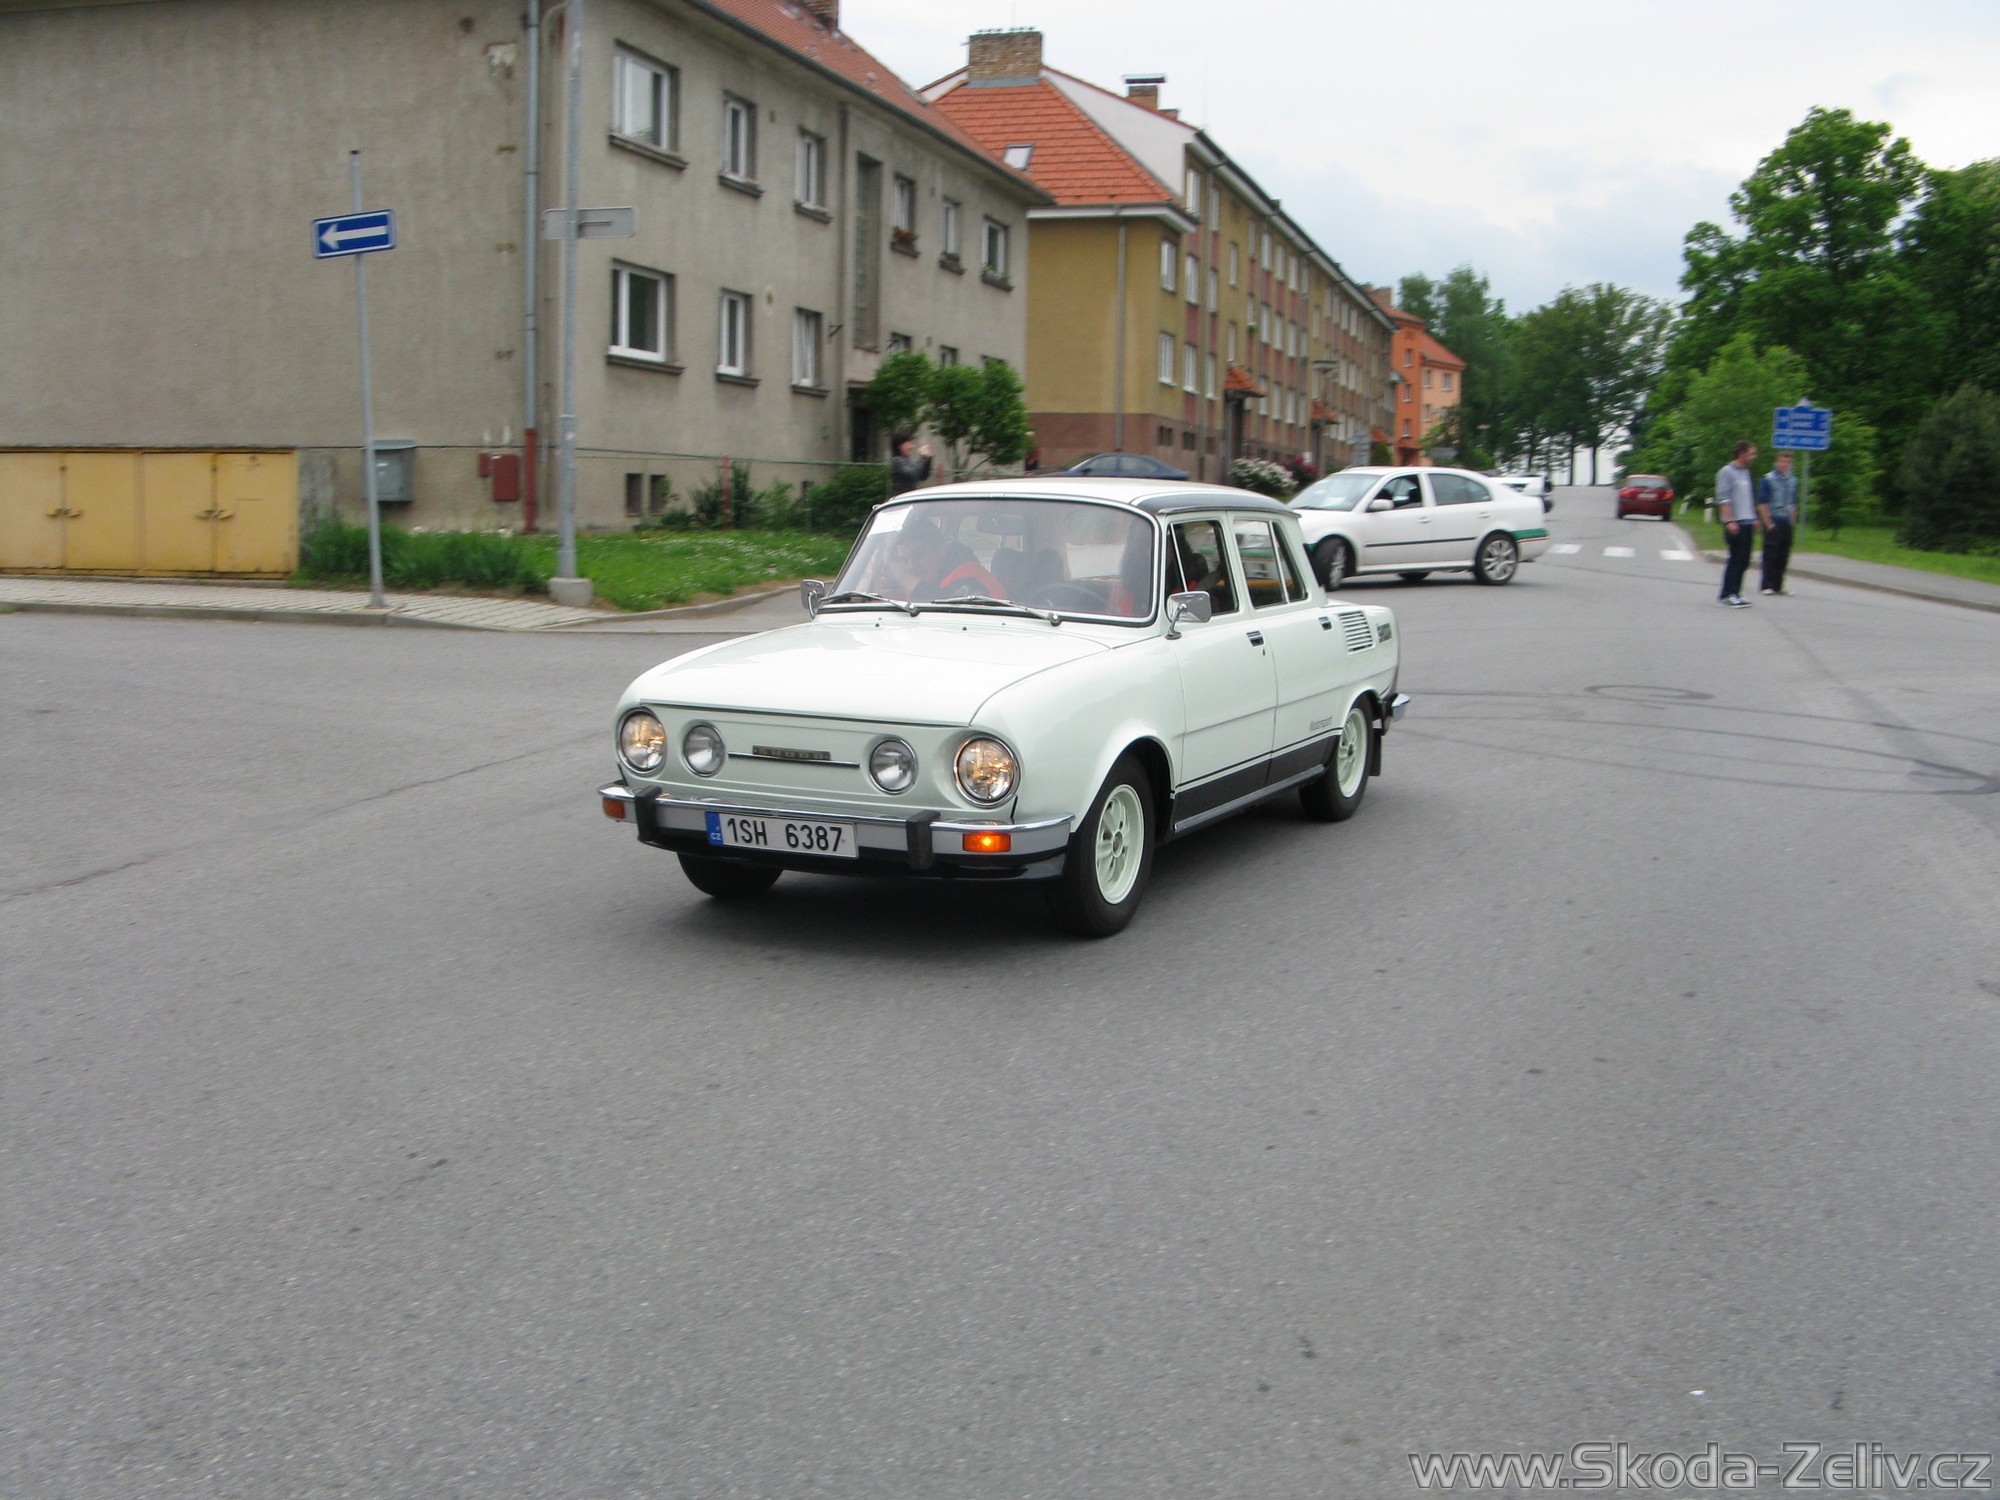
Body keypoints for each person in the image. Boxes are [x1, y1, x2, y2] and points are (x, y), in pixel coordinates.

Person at [1714, 440, 1759, 607]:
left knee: (1744, 560)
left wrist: (1754, 517)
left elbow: (1748, 498)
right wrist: (1730, 521)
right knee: (1736, 559)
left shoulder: (1745, 472)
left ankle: (1737, 592)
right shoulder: (1727, 472)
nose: (1754, 457)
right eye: (1752, 453)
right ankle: (1727, 594)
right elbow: (1723, 498)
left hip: (1747, 521)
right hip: (1735, 523)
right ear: (1742, 453)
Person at [1758, 451, 1798, 595]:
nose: (1784, 464)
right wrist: (1768, 523)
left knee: (1783, 554)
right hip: (1773, 518)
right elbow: (1763, 503)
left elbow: (1792, 501)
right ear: (1776, 463)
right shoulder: (1768, 479)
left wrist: (1792, 519)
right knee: (1771, 553)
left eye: (1787, 462)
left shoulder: (1793, 480)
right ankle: (1766, 585)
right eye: (1781, 461)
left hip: (1786, 520)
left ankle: (1778, 585)